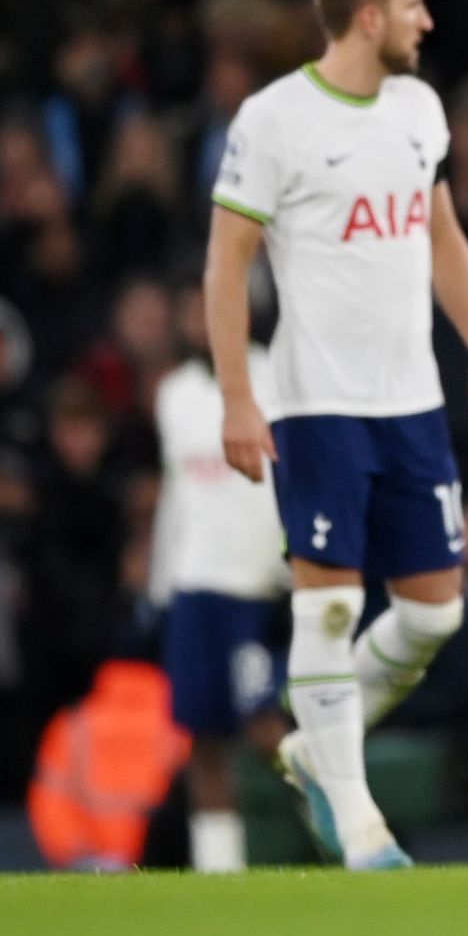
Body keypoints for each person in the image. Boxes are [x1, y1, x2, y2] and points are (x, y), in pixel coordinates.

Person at [204, 0, 468, 870]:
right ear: (368, 15)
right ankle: (356, 817)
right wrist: (236, 398)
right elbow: (226, 262)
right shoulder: (275, 119)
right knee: (329, 611)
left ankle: (315, 741)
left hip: (411, 401)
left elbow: (444, 236)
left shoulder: (419, 108)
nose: (427, 18)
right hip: (315, 404)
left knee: (433, 614)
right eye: (413, 1)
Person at [149, 282, 290, 872]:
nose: (203, 322)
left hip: (257, 588)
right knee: (203, 739)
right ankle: (219, 870)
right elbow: (176, 493)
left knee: (267, 730)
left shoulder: (276, 376)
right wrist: (161, 580)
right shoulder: (173, 394)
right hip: (193, 585)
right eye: (193, 310)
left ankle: (345, 837)